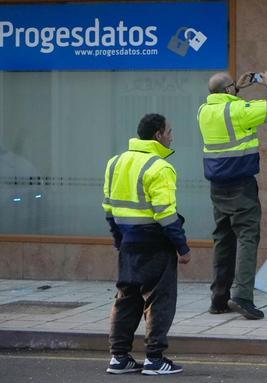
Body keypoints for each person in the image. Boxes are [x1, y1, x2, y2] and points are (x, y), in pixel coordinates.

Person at [103, 113, 191, 376]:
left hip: (128, 242)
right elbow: (166, 214)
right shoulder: (160, 167)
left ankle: (119, 358)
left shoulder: (115, 162)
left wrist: (120, 240)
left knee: (126, 298)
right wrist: (182, 247)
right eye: (169, 131)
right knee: (160, 299)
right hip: (155, 243)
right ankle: (154, 359)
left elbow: (109, 208)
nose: (172, 136)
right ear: (158, 135)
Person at [198, 71, 267, 320]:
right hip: (240, 185)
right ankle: (243, 297)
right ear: (227, 91)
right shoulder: (238, 111)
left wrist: (238, 89)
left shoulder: (203, 111)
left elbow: (225, 107)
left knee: (223, 239)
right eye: (233, 86)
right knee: (247, 237)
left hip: (217, 187)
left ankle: (219, 298)